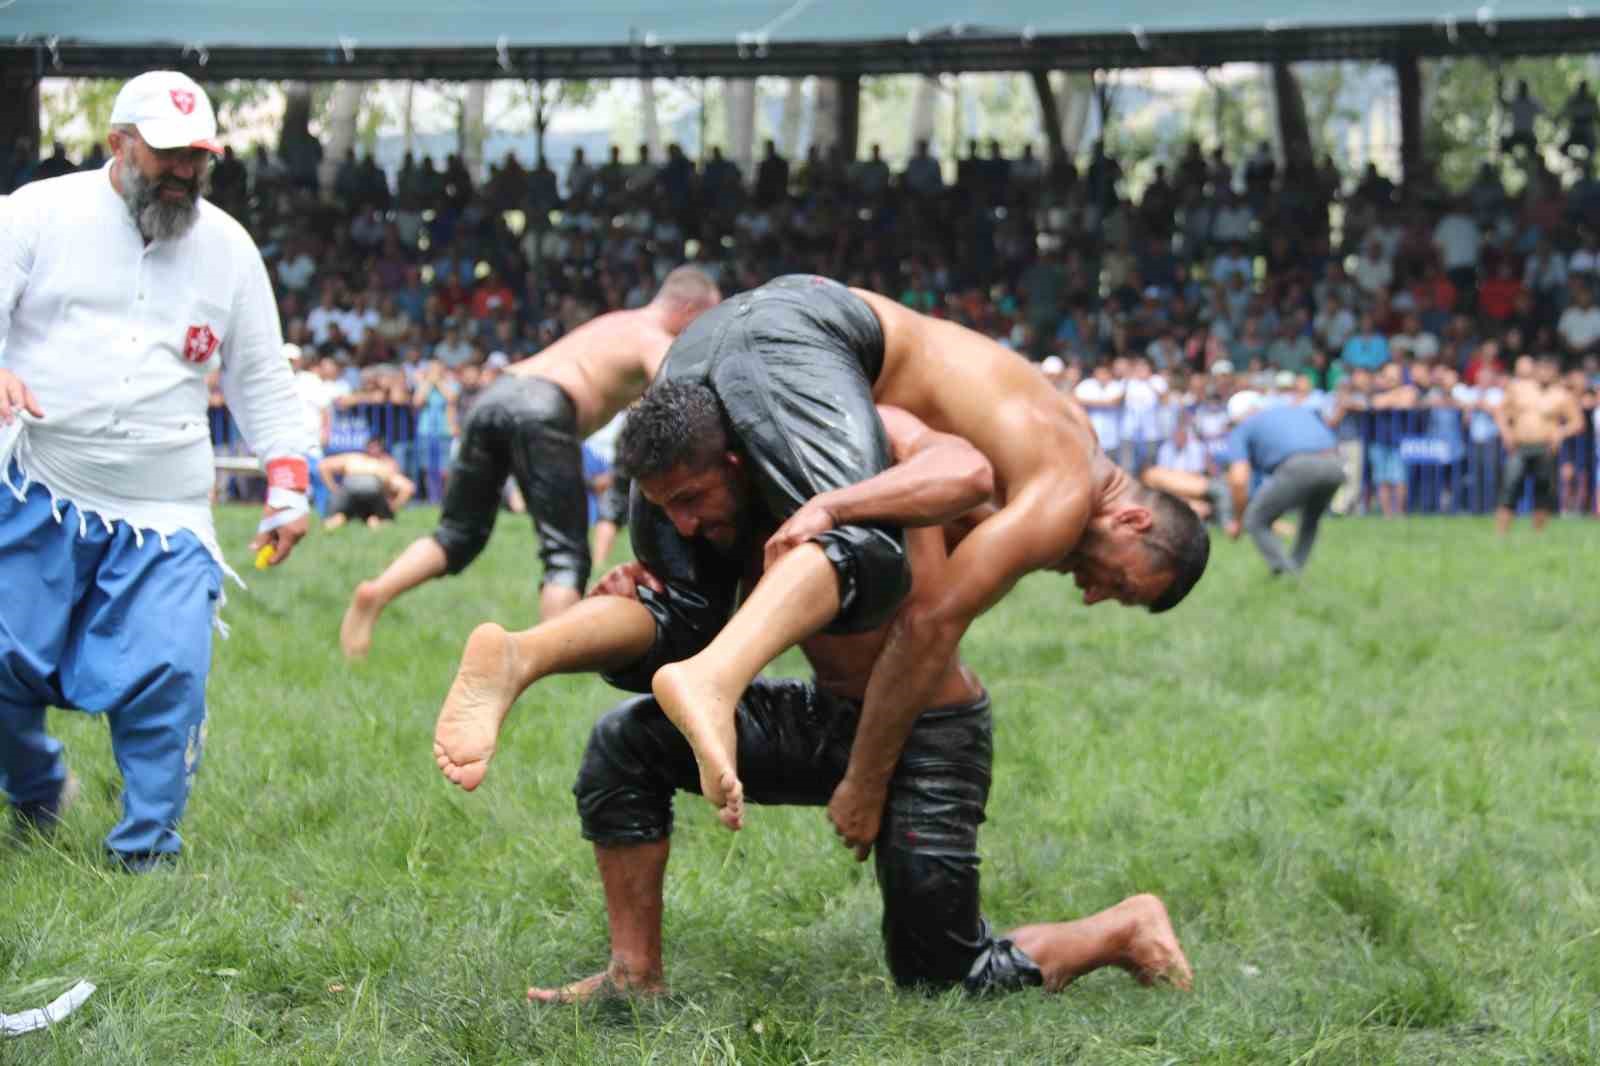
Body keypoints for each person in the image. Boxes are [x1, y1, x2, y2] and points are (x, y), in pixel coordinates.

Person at [430, 405, 1193, 1001]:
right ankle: (635, 979)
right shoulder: (745, 479)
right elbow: (712, 604)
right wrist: (641, 579)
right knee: (626, 743)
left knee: (945, 980)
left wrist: (866, 781)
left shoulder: (875, 435)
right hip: (832, 715)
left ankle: (1119, 930)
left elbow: (968, 471)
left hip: (931, 734)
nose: (1097, 597)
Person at [607, 276, 1211, 836]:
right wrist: (864, 780)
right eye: (1122, 585)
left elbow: (934, 519)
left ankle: (524, 656)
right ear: (1133, 520)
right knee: (859, 556)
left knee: (682, 606)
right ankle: (713, 679)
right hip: (803, 337)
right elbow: (930, 624)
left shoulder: (1059, 437)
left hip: (751, 329)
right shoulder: (1062, 492)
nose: (1093, 594)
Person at [0, 72, 313, 870]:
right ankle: (36, 784)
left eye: (197, 158)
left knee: (171, 672)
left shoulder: (229, 248)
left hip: (165, 504)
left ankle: (145, 854)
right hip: (39, 479)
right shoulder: (38, 213)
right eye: (167, 156)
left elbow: (261, 377)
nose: (183, 173)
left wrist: (287, 484)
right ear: (120, 143)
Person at [338, 267, 720, 657]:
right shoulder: (652, 339)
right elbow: (684, 397)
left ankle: (376, 592)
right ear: (688, 309)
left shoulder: (616, 321)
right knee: (565, 554)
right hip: (543, 406)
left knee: (458, 533)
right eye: (708, 319)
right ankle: (553, 658)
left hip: (495, 395)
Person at [1223, 391, 1345, 575]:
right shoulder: (1294, 410)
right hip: (1336, 464)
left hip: (1299, 466)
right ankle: (1295, 570)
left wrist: (1238, 521)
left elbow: (1239, 480)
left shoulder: (1244, 426)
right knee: (1310, 518)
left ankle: (1286, 573)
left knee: (1256, 520)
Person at [1493, 356, 1585, 534]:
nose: (1545, 373)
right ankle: (1501, 534)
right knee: (1509, 486)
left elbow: (1577, 422)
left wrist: (1561, 432)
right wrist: (1506, 433)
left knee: (1543, 489)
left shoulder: (1561, 395)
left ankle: (1538, 535)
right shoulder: (1519, 389)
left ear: (1555, 373)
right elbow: (1500, 412)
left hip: (1545, 447)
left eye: (1549, 370)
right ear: (1535, 371)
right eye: (1542, 369)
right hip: (1520, 446)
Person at [319, 437, 415, 529]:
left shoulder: (352, 458)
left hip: (349, 489)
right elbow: (408, 488)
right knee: (378, 518)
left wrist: (334, 489)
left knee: (340, 516)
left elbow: (324, 465)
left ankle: (336, 522)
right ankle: (375, 521)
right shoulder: (387, 465)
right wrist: (392, 507)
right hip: (373, 491)